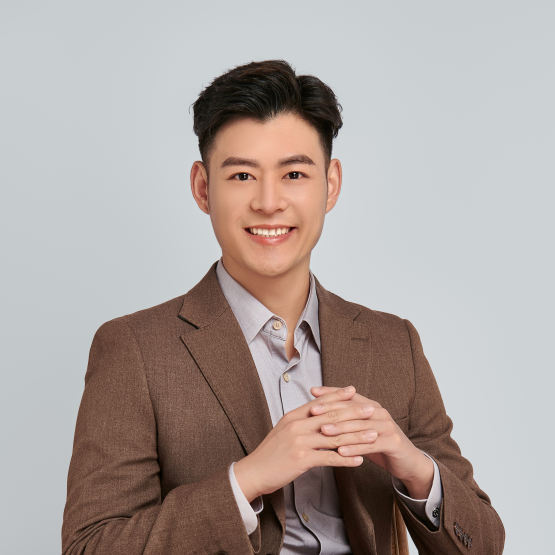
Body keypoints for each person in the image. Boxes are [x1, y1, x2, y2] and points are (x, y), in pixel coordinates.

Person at [62, 60, 505, 555]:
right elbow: (90, 546)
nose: (269, 202)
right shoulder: (135, 350)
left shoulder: (393, 343)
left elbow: (484, 544)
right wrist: (245, 480)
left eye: (294, 173)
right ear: (203, 188)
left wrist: (414, 467)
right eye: (243, 175)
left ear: (330, 184)